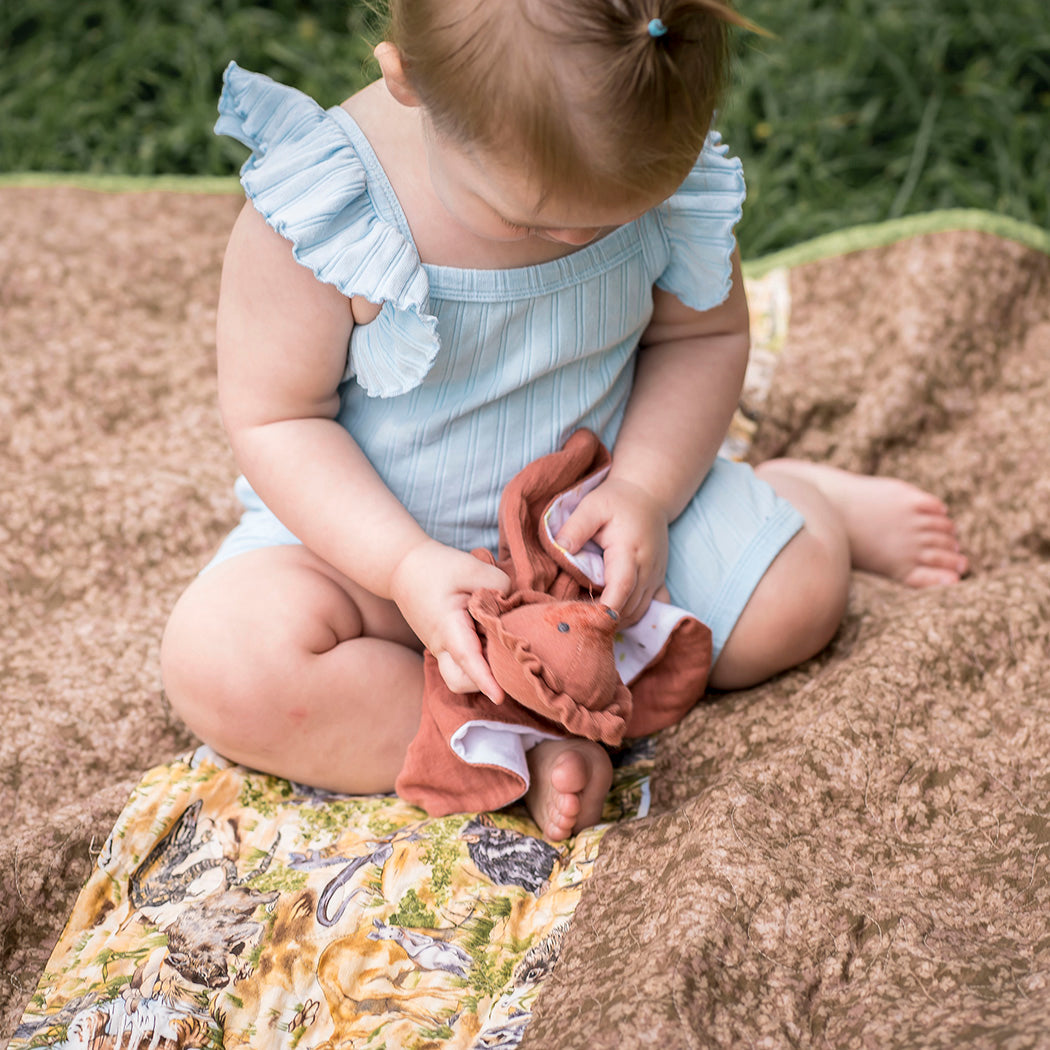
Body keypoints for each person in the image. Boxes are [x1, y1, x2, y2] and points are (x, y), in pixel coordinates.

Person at [161, 0, 967, 842]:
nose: (579, 234)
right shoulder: (331, 210)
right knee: (225, 662)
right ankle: (508, 734)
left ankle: (803, 496)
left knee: (793, 601)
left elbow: (703, 334)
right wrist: (402, 564)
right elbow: (279, 420)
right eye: (535, 218)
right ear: (408, 85)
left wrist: (648, 491)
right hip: (376, 559)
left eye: (619, 211)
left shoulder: (653, 164)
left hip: (593, 535)